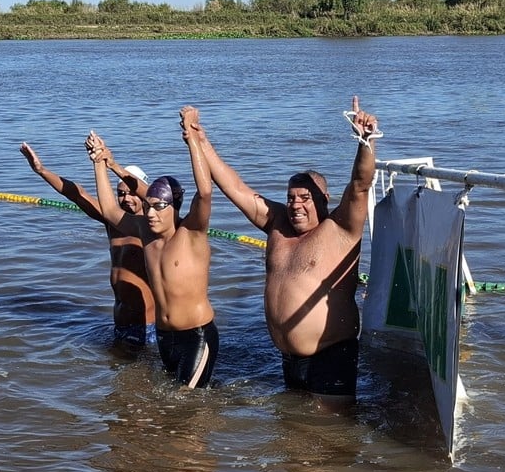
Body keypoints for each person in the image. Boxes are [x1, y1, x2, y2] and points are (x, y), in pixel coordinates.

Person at [194, 96, 380, 403]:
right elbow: (235, 188)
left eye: (305, 198)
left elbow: (361, 183)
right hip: (290, 360)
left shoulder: (341, 227)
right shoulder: (276, 224)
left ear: (324, 199)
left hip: (330, 355)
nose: (296, 205)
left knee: (332, 439)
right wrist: (202, 140)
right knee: (293, 438)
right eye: (291, 197)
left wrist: (366, 141)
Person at [87, 106, 218, 389]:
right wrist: (99, 162)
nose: (150, 213)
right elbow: (110, 210)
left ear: (175, 207)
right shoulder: (146, 233)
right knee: (169, 407)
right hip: (163, 337)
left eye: (158, 207)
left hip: (195, 335)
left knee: (185, 404)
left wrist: (192, 140)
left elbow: (205, 191)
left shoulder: (192, 232)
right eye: (148, 207)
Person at [19, 141, 156, 350]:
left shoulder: (153, 228)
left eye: (131, 193)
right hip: (120, 323)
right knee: (123, 378)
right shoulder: (114, 222)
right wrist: (41, 170)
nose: (126, 198)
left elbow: (158, 202)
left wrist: (112, 165)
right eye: (120, 194)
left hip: (148, 327)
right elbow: (77, 194)